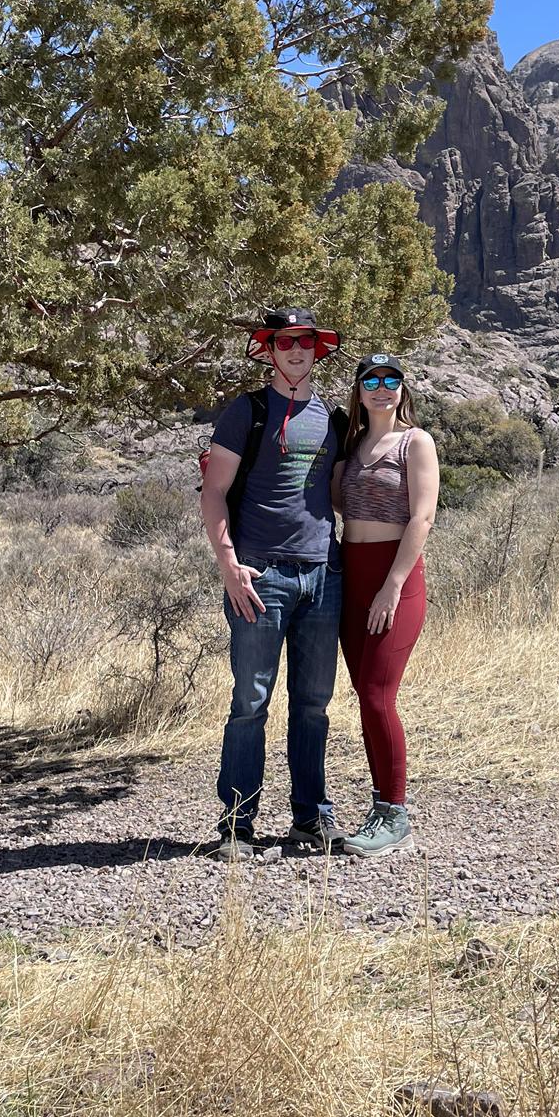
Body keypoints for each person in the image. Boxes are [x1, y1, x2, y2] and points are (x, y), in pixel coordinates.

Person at [200, 307, 349, 859]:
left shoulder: (331, 418)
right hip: (259, 577)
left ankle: (311, 819)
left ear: (317, 349)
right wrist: (229, 564)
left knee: (313, 704)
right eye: (284, 341)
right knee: (250, 702)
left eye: (305, 341)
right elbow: (213, 491)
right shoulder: (249, 411)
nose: (296, 350)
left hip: (322, 574)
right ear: (268, 348)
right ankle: (238, 827)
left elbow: (335, 493)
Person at [334, 353, 439, 856]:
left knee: (378, 695)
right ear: (358, 391)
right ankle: (380, 805)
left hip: (392, 581)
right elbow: (337, 500)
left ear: (402, 389)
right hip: (350, 576)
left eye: (391, 380)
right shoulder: (353, 445)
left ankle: (394, 813)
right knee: (363, 694)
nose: (381, 388)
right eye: (371, 380)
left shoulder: (415, 443)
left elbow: (421, 518)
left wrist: (392, 585)